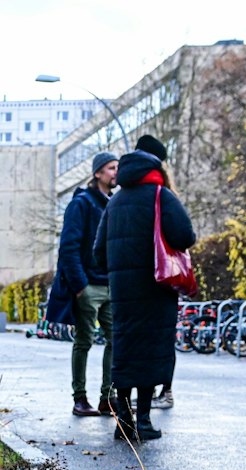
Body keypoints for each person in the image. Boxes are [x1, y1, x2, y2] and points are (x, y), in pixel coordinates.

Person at [94, 135, 195, 441]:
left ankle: (124, 422)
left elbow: (98, 253)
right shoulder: (161, 195)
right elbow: (185, 236)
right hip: (156, 289)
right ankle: (145, 422)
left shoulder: (115, 202)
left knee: (125, 351)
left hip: (123, 292)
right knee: (150, 352)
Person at [44, 152, 118, 417]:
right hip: (88, 285)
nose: (116, 172)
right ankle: (80, 399)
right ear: (97, 173)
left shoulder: (113, 203)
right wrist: (80, 286)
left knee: (116, 339)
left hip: (110, 284)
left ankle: (108, 398)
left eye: (117, 167)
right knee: (84, 341)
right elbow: (69, 247)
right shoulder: (81, 204)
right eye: (111, 168)